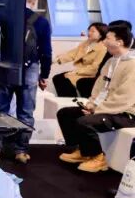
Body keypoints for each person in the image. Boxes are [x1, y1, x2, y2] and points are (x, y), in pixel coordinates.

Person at [57, 22, 135, 173]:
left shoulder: (132, 65)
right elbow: (100, 87)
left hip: (126, 113)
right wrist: (91, 105)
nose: (104, 41)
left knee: (85, 121)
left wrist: (97, 110)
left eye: (108, 38)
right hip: (108, 108)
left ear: (119, 42)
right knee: (65, 113)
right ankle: (83, 150)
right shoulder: (111, 61)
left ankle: (99, 157)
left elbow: (124, 98)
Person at [0, 0, 51, 164]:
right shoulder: (41, 22)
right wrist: (44, 75)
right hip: (29, 69)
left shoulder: (2, 17)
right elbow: (46, 52)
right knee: (26, 112)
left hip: (4, 68)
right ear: (34, 0)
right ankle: (21, 151)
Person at [52, 21, 108, 97]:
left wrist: (76, 72)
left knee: (65, 79)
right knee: (57, 78)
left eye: (93, 31)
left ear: (101, 34)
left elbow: (95, 68)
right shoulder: (86, 43)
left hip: (90, 74)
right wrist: (56, 60)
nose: (89, 33)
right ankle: (67, 100)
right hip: (81, 71)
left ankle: (71, 100)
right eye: (89, 30)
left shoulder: (103, 48)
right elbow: (73, 53)